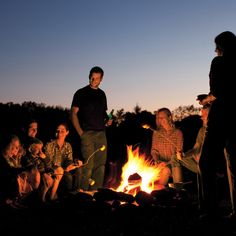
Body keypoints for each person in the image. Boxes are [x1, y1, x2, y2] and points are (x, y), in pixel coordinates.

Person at [198, 31, 236, 220]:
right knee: (234, 166)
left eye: (216, 47)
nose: (215, 50)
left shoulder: (219, 62)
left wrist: (207, 98)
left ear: (222, 47)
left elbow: (219, 91)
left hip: (221, 119)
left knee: (206, 162)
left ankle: (210, 211)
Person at [71, 66, 112, 191]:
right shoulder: (81, 93)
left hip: (101, 133)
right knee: (88, 165)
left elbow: (103, 113)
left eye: (97, 78)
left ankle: (95, 193)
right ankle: (83, 194)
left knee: (100, 166)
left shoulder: (102, 94)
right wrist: (81, 133)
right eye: (92, 77)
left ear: (101, 79)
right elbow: (73, 114)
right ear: (89, 76)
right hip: (87, 133)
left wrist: (108, 120)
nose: (94, 80)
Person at [44, 122, 82, 199]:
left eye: (62, 131)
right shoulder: (50, 144)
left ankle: (76, 192)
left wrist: (75, 163)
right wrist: (64, 169)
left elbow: (69, 159)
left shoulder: (67, 145)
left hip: (64, 168)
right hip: (54, 170)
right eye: (57, 131)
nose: (59, 133)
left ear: (67, 133)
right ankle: (68, 195)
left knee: (79, 169)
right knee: (67, 176)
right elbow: (48, 163)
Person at [151, 107, 184, 187]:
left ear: (169, 117)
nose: (160, 120)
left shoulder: (178, 133)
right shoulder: (156, 133)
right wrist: (157, 161)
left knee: (165, 170)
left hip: (173, 164)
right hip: (159, 163)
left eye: (162, 118)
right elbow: (154, 151)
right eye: (159, 118)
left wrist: (166, 163)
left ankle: (158, 191)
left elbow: (178, 154)